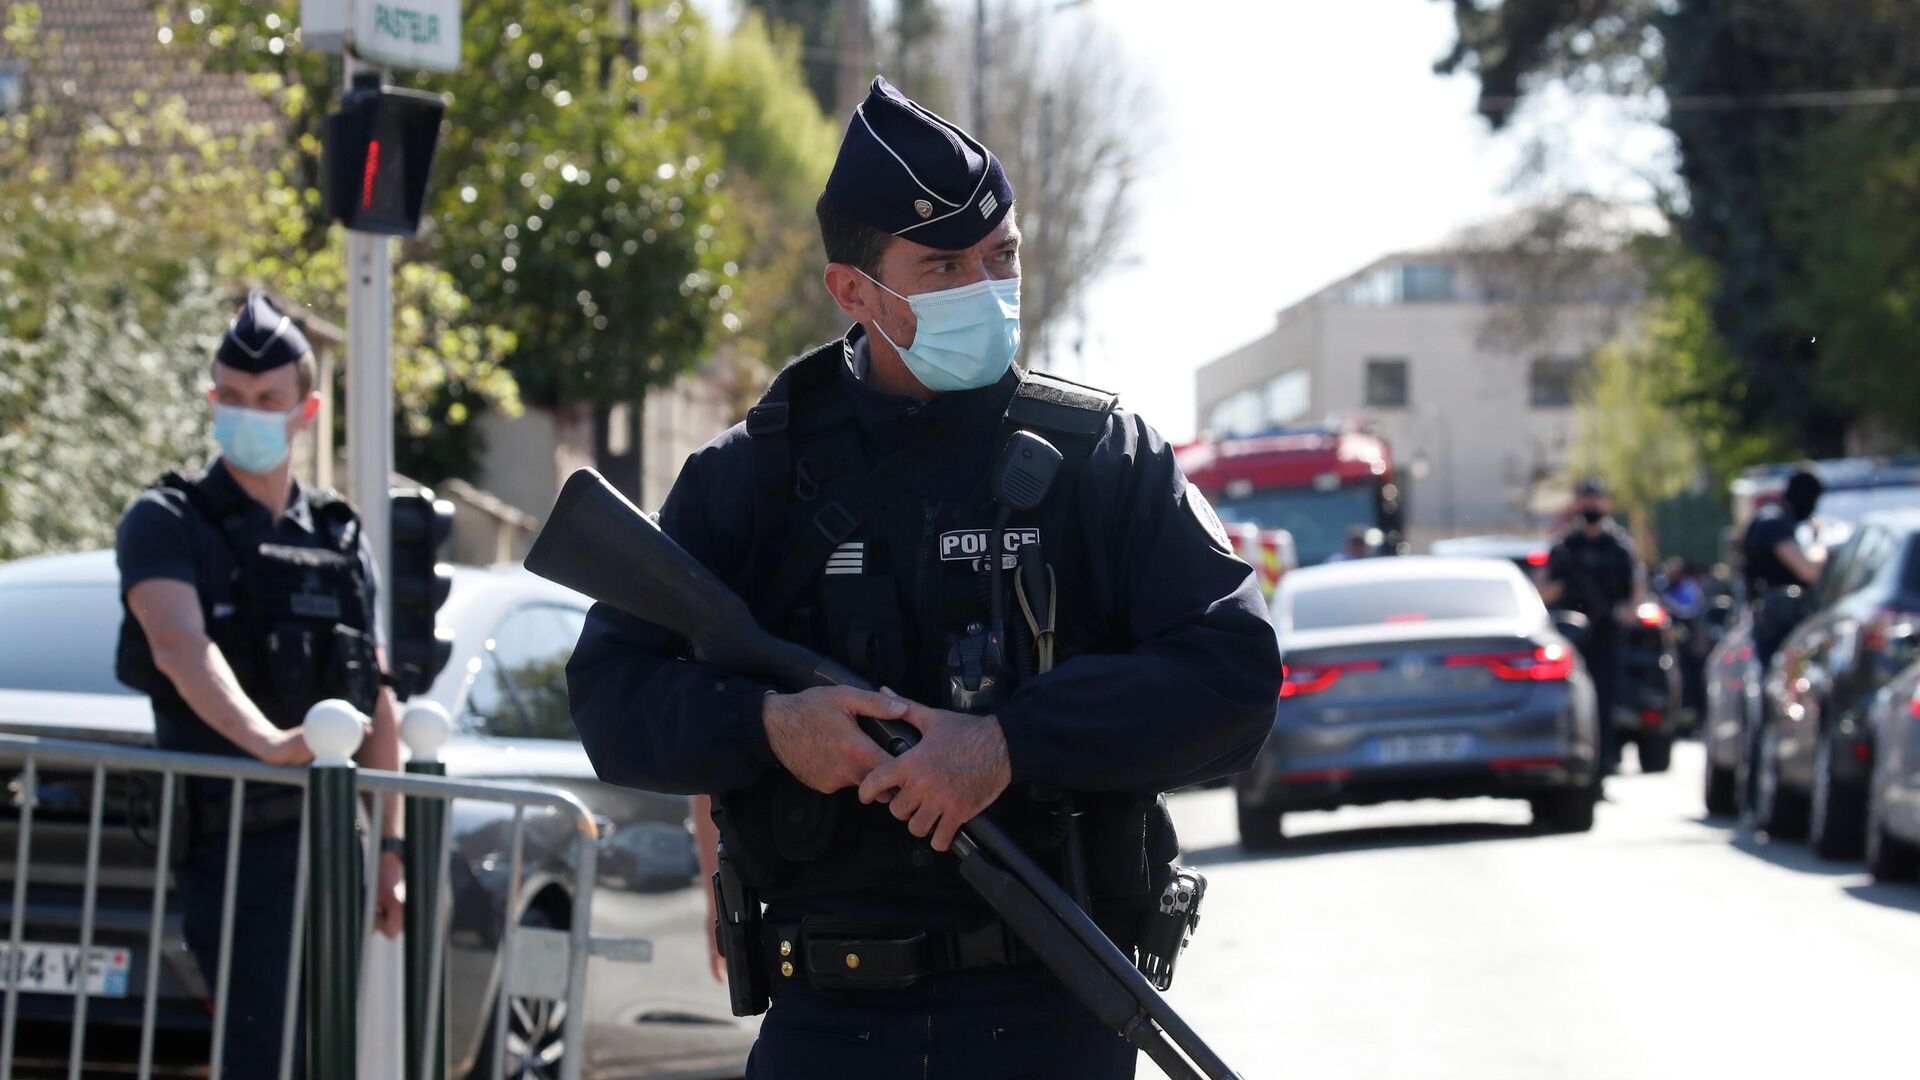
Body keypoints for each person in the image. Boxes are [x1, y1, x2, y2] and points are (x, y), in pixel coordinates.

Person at [567, 77, 1282, 1079]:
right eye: (945, 265)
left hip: (1056, 1005)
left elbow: (1235, 678)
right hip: (830, 1019)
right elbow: (611, 698)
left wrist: (1006, 744)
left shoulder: (1102, 458)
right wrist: (773, 728)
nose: (988, 289)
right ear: (853, 292)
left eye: (1004, 257)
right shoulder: (751, 477)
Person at [115, 291, 405, 1076]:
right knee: (258, 1053)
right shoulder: (167, 519)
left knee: (318, 1054)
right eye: (231, 398)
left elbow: (377, 696)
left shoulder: (343, 536)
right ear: (212, 401)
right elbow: (180, 645)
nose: (248, 413)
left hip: (332, 848)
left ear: (306, 411)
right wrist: (267, 742)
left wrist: (389, 848)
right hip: (232, 846)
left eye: (268, 400)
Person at [1536, 477, 1644, 779]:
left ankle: (1606, 763)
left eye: (1596, 499)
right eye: (1585, 499)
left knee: (1607, 702)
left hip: (1607, 636)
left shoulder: (1618, 546)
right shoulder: (1566, 547)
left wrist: (1626, 611)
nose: (1591, 505)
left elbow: (1636, 588)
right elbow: (1543, 589)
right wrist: (1565, 587)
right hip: (1573, 639)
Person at [1741, 469, 1825, 666]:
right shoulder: (1774, 522)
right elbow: (1808, 571)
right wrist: (1819, 542)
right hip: (1779, 619)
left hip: (1773, 617)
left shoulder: (1770, 518)